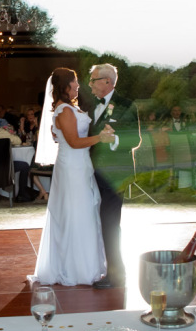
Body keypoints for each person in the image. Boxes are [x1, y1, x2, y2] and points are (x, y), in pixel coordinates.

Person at [30, 68, 115, 286]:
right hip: (72, 168)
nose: (78, 85)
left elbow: (64, 136)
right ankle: (76, 269)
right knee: (77, 214)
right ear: (65, 86)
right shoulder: (65, 110)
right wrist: (101, 138)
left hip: (79, 165)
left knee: (82, 213)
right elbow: (75, 142)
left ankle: (83, 265)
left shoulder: (67, 108)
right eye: (75, 82)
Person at [86, 63, 141, 289]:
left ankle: (117, 274)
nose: (90, 84)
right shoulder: (90, 105)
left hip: (115, 175)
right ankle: (95, 266)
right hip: (90, 172)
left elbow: (135, 139)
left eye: (93, 80)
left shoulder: (127, 105)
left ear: (107, 81)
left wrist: (115, 140)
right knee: (95, 221)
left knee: (110, 223)